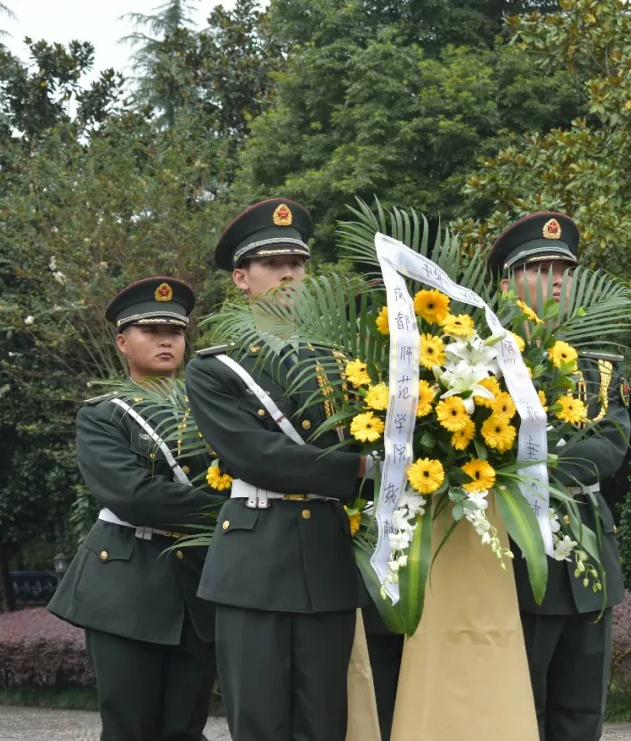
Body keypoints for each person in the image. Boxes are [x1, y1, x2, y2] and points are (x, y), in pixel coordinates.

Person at [185, 198, 372, 741]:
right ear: (242, 278)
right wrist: (360, 468)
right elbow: (255, 456)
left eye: (297, 262)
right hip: (255, 561)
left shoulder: (343, 360)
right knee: (262, 724)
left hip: (327, 561)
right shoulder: (215, 368)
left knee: (325, 725)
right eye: (272, 263)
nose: (289, 272)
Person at [48, 277, 221, 741]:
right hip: (127, 587)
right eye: (151, 330)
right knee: (130, 727)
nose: (167, 339)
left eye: (176, 331)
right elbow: (132, 496)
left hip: (194, 587)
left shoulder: (211, 409)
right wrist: (227, 509)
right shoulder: (104, 414)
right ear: (123, 342)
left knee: (186, 729)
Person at [487, 211, 631, 741]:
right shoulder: (483, 364)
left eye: (564, 270)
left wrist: (536, 464)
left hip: (589, 558)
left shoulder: (599, 367)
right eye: (540, 268)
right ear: (507, 283)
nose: (555, 280)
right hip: (518, 563)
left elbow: (610, 446)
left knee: (581, 717)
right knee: (519, 715)